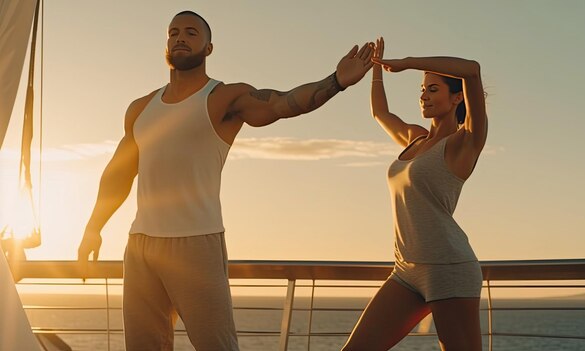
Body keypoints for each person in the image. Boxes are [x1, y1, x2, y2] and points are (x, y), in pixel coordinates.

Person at [77, 10, 374, 351]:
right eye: (173, 32)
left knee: (216, 346)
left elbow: (283, 103)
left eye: (191, 32)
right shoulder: (140, 108)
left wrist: (335, 81)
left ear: (209, 47)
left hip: (196, 244)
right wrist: (93, 227)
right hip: (141, 245)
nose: (180, 38)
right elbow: (118, 173)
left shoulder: (224, 98)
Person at [342, 37, 488, 351]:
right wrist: (377, 69)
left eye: (433, 89)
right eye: (422, 89)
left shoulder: (465, 142)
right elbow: (380, 113)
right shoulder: (414, 138)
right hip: (405, 270)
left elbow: (472, 70)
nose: (423, 95)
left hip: (448, 268)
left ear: (456, 98)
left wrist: (409, 62)